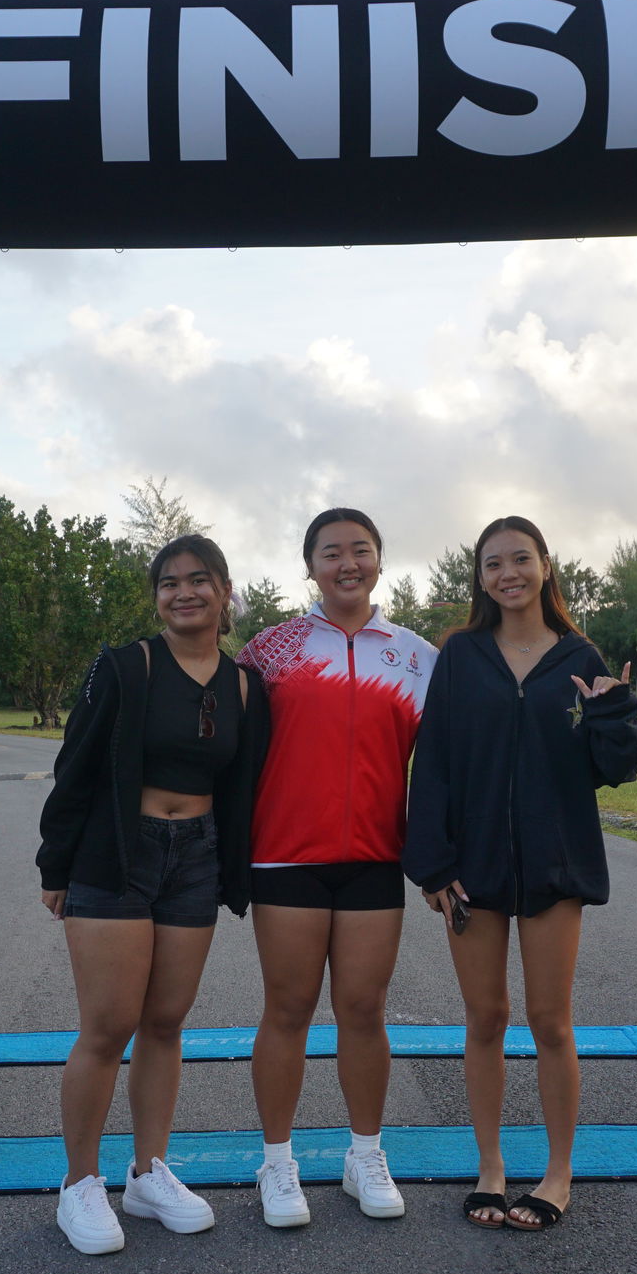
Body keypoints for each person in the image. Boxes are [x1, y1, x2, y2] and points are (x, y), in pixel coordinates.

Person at [402, 516, 637, 1232]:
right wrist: (432, 864)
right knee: (485, 1018)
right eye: (492, 563)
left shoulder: (579, 653)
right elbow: (435, 761)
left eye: (520, 559)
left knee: (549, 1021)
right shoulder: (462, 655)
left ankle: (559, 1173)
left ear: (545, 565)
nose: (507, 572)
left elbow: (616, 768)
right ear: (479, 577)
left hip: (554, 861)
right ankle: (490, 1168)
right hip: (470, 867)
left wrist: (614, 713)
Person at [37, 535, 269, 1255]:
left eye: (199, 580)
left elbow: (243, 786)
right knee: (108, 1026)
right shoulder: (125, 665)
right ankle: (80, 1184)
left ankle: (147, 1173)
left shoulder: (243, 686)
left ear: (225, 591)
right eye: (169, 583)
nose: (184, 593)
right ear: (156, 597)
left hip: (195, 857)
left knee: (166, 1021)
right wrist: (57, 865)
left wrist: (236, 871)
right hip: (119, 851)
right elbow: (74, 765)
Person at [234, 507, 436, 1227]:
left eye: (360, 550)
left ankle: (364, 1153)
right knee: (288, 1009)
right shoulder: (271, 649)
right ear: (310, 565)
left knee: (363, 1010)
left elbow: (444, 769)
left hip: (375, 861)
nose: (346, 563)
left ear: (379, 560)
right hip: (285, 855)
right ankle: (278, 1162)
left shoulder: (416, 656)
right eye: (331, 552)